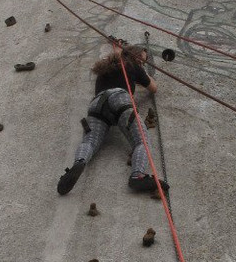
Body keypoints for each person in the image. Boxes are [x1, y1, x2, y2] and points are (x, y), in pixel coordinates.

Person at [57, 42, 170, 196]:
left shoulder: (105, 67)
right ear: (134, 56)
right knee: (141, 141)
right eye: (141, 60)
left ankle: (79, 162)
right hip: (120, 99)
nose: (142, 63)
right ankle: (138, 175)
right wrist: (142, 72)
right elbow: (154, 88)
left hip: (97, 104)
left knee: (89, 141)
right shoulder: (133, 66)